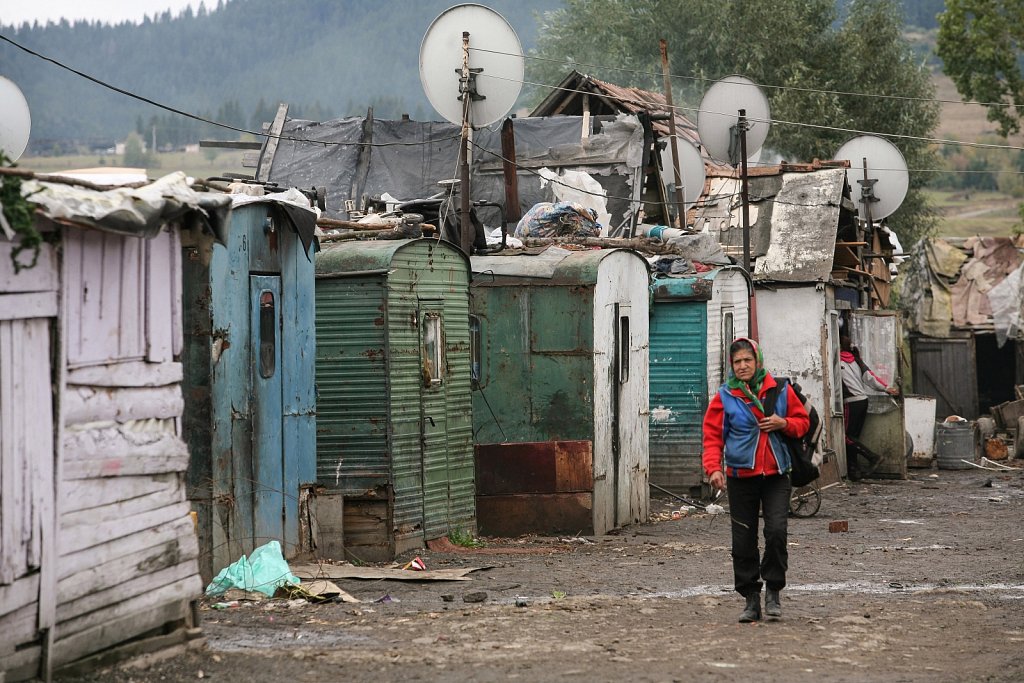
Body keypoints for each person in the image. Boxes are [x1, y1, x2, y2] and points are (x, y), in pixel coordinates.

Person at [702, 337, 810, 623]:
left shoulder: (780, 390)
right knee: (743, 541)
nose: (742, 366)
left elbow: (803, 424)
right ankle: (751, 599)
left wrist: (782, 423)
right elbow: (713, 437)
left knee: (776, 532)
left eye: (747, 360)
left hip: (777, 475)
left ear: (757, 361)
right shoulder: (725, 397)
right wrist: (713, 469)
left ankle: (773, 590)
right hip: (740, 477)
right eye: (737, 362)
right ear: (731, 366)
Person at [839, 335, 899, 480]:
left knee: (846, 437)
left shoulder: (835, 360)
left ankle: (873, 457)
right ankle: (854, 472)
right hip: (863, 401)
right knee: (853, 438)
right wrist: (886, 388)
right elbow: (870, 377)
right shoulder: (856, 360)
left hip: (851, 402)